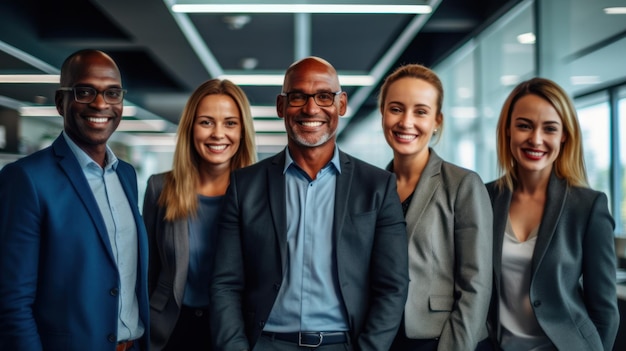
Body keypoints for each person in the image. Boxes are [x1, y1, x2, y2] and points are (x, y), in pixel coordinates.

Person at [209, 56, 409, 351]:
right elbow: (225, 284)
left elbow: (393, 287)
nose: (311, 108)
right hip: (266, 344)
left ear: (341, 105)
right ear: (281, 106)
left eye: (324, 96)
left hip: (343, 345)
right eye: (298, 96)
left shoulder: (377, 186)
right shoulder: (245, 186)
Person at [0, 49, 149, 351]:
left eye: (112, 93)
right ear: (60, 102)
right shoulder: (26, 178)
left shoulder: (127, 176)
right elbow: (11, 301)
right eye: (85, 91)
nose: (100, 103)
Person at [486, 77, 619, 351]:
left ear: (564, 136)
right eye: (524, 126)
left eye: (550, 128)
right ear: (508, 130)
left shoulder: (587, 206)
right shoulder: (483, 198)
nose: (536, 139)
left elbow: (605, 310)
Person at [379, 63, 493, 351]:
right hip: (384, 338)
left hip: (441, 339)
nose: (406, 121)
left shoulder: (463, 184)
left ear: (437, 120)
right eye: (396, 108)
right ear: (382, 113)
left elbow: (476, 285)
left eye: (420, 111)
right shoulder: (373, 187)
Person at [143, 78, 257, 351]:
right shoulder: (159, 188)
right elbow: (147, 270)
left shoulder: (260, 192)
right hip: (170, 329)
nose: (218, 133)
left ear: (242, 131)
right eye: (206, 122)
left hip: (234, 329)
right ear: (190, 129)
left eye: (230, 123)